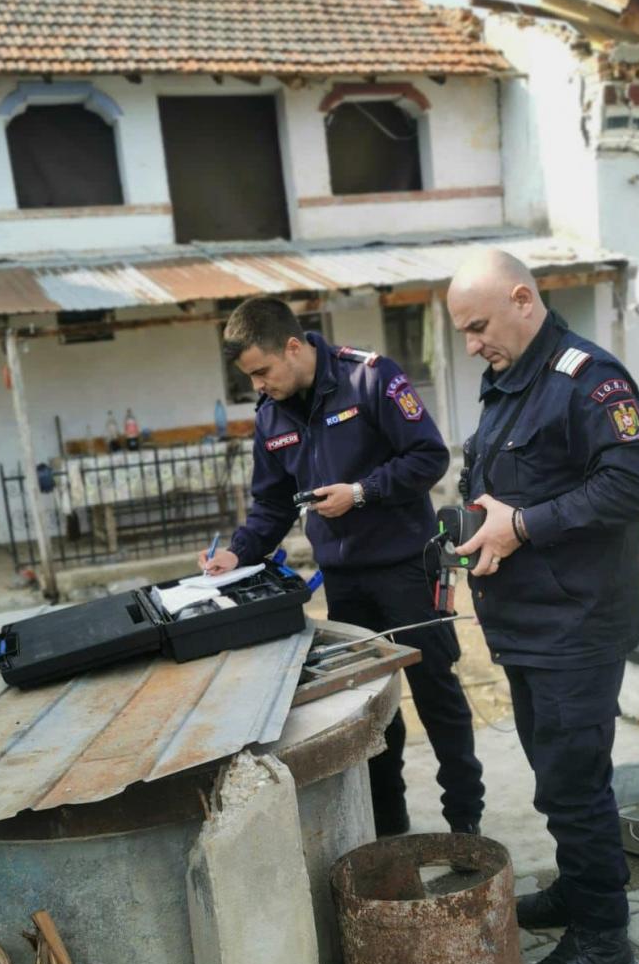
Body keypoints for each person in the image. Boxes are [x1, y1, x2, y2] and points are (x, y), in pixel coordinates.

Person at [446, 248, 639, 964]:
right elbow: (500, 485)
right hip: (530, 626)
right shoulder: (511, 383)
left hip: (577, 624)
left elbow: (638, 483)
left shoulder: (588, 378)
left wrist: (526, 525)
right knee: (555, 779)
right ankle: (579, 894)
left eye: (478, 326)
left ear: (521, 299)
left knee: (576, 785)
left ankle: (605, 942)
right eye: (465, 332)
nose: (471, 343)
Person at [200, 296, 485, 838]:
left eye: (262, 371)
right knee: (368, 709)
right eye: (249, 378)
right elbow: (271, 505)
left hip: (407, 569)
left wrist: (361, 493)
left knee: (436, 696)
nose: (258, 385)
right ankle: (389, 827)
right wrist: (236, 552)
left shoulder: (371, 380)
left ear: (293, 346)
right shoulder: (270, 416)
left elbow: (428, 457)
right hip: (346, 585)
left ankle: (465, 824)